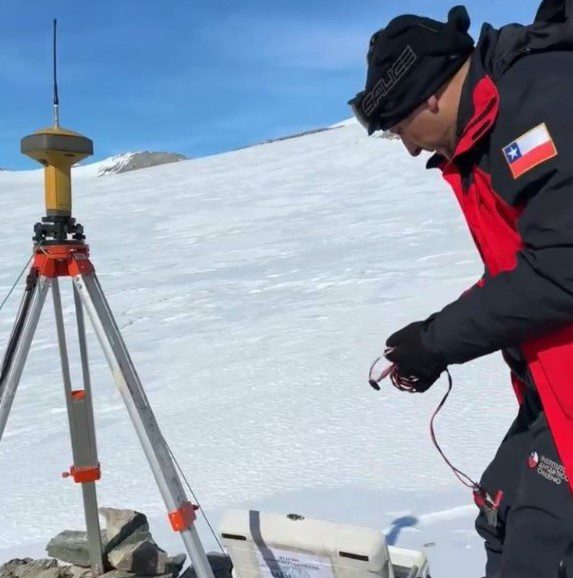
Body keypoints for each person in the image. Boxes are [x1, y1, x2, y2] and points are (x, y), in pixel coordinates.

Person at [349, 2, 573, 577]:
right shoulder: (488, 128)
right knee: (501, 510)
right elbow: (524, 265)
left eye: (400, 128)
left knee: (539, 551)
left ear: (429, 96)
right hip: (552, 384)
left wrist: (439, 341)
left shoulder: (538, 104)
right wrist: (431, 337)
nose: (410, 148)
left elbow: (562, 268)